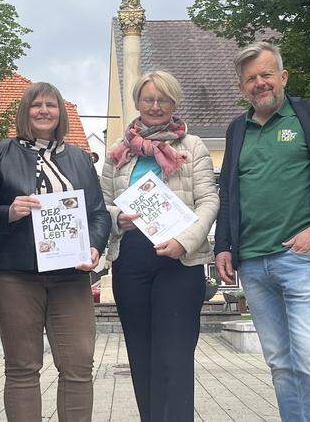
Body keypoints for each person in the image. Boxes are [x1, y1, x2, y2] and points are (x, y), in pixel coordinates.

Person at [214, 41, 310, 422]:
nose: (260, 83)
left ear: (283, 77)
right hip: (253, 265)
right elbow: (228, 190)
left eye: (266, 75)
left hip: (301, 259)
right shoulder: (236, 129)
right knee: (279, 362)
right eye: (250, 79)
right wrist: (223, 245)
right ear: (242, 88)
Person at [0, 82, 111, 421]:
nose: (43, 110)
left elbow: (97, 213)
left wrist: (95, 246)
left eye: (50, 105)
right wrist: (7, 212)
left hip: (71, 276)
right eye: (36, 105)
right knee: (24, 366)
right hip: (12, 274)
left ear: (60, 113)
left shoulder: (80, 158)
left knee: (79, 364)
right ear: (24, 111)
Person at [100, 70, 219, 421]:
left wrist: (185, 241)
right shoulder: (117, 153)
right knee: (141, 355)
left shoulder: (192, 146)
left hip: (179, 260)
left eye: (163, 99)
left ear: (173, 103)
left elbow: (209, 201)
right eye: (148, 99)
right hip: (131, 259)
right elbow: (100, 204)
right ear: (137, 102)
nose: (155, 106)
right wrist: (116, 218)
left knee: (175, 356)